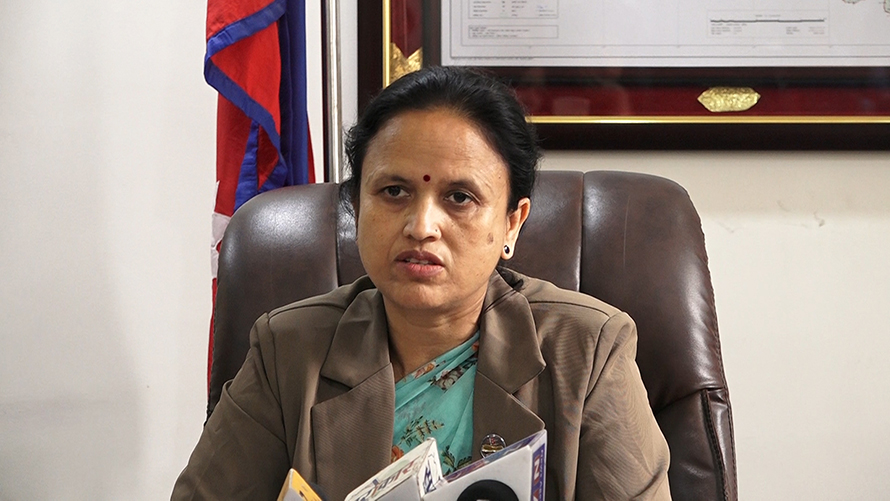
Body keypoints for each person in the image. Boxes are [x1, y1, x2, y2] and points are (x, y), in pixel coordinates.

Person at [172, 66, 670, 500]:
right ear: (357, 208)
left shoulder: (588, 351)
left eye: (459, 197)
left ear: (511, 224)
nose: (421, 226)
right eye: (394, 191)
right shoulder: (288, 351)